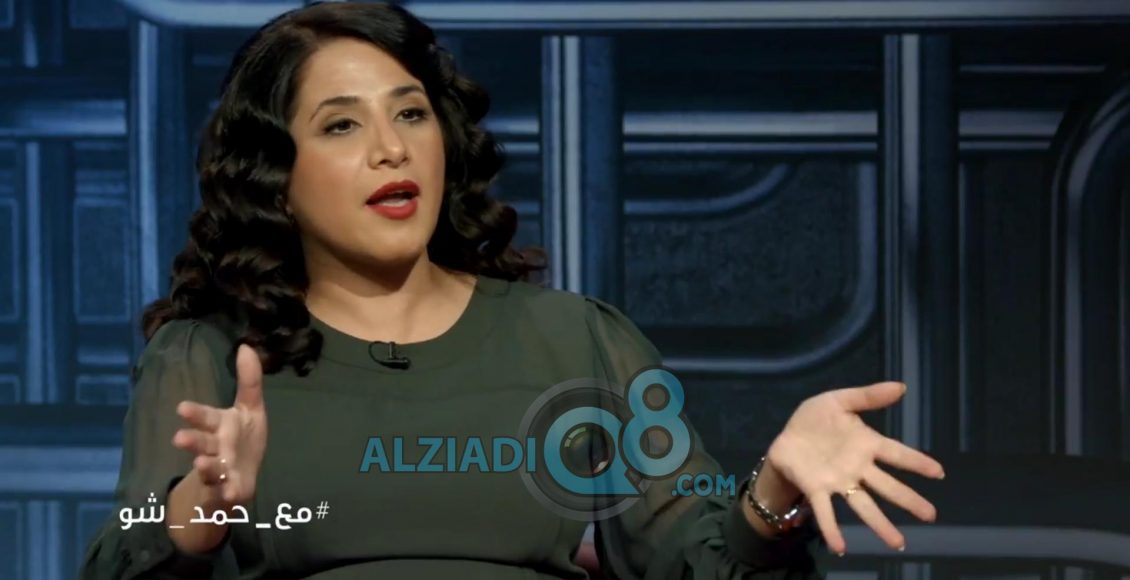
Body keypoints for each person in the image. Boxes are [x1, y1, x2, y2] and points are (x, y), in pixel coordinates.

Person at [80, 2, 945, 578]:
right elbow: (120, 560)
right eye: (341, 125)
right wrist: (197, 514)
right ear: (276, 179)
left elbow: (697, 556)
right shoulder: (209, 358)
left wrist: (774, 493)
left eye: (410, 112)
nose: (391, 148)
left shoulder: (574, 341)